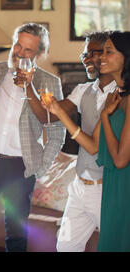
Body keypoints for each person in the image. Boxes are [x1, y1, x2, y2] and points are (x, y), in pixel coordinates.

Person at [0, 23, 66, 252]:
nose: (20, 53)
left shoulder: (49, 83)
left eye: (29, 50)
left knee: (16, 234)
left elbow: (57, 133)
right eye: (18, 45)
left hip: (20, 167)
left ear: (40, 54)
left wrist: (40, 167)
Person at [22, 32, 116, 252]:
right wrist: (28, 86)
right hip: (80, 187)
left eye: (92, 52)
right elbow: (48, 116)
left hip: (108, 190)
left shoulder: (120, 95)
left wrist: (56, 110)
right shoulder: (83, 90)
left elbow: (95, 145)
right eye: (84, 53)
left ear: (108, 55)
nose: (85, 58)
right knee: (65, 247)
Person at [43, 31, 130, 252]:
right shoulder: (114, 98)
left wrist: (61, 114)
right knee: (66, 246)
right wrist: (103, 116)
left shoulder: (124, 99)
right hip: (86, 184)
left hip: (114, 186)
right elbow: (93, 146)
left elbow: (119, 159)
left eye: (108, 52)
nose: (100, 58)